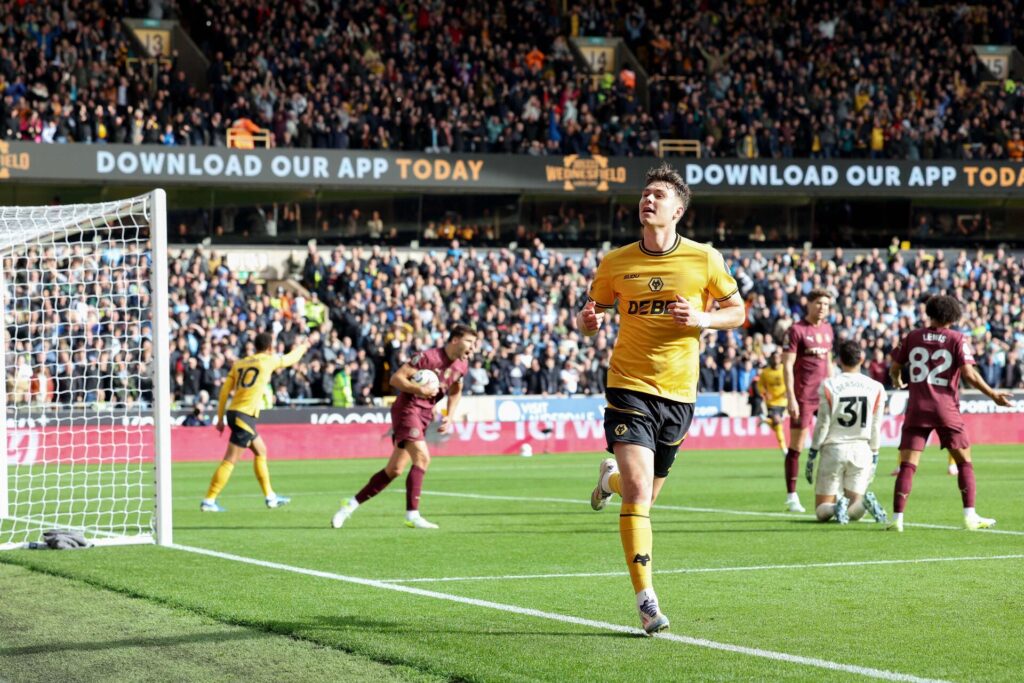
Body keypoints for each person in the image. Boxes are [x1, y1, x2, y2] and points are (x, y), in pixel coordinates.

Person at [582, 163, 744, 635]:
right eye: (644, 194)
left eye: (658, 195)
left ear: (678, 210)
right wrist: (587, 323)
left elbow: (736, 310)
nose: (647, 200)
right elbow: (590, 311)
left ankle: (606, 481)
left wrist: (702, 319)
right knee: (639, 494)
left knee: (643, 498)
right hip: (629, 385)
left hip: (680, 394)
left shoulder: (704, 259)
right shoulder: (615, 262)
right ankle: (646, 599)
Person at [330, 324, 478, 530]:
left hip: (425, 415)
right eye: (469, 341)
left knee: (394, 469)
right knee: (423, 457)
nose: (473, 346)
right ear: (455, 340)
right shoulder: (428, 357)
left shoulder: (462, 365)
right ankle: (412, 514)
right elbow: (396, 378)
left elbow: (456, 390)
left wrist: (450, 416)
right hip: (407, 410)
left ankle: (349, 506)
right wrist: (419, 388)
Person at [887, 295, 1012, 532]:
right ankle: (969, 516)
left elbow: (895, 367)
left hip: (917, 408)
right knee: (964, 461)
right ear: (954, 316)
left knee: (907, 465)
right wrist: (994, 395)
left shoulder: (912, 337)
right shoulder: (956, 338)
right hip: (945, 408)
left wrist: (898, 379)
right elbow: (969, 374)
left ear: (929, 313)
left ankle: (897, 519)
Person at [201, 331, 312, 512]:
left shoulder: (240, 364)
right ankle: (209, 500)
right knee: (230, 460)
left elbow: (224, 392)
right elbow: (290, 359)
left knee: (261, 450)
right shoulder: (267, 360)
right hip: (244, 415)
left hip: (234, 413)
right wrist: (304, 346)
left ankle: (270, 497)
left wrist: (220, 418)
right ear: (270, 347)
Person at [804, 341, 888, 525]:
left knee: (821, 510)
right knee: (854, 508)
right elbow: (875, 426)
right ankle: (865, 504)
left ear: (839, 360)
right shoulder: (877, 387)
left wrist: (813, 452)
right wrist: (875, 453)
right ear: (862, 358)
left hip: (834, 449)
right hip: (862, 449)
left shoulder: (829, 385)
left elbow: (823, 424)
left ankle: (835, 508)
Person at [782, 289, 834, 512]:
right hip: (803, 396)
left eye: (826, 304)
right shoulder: (796, 330)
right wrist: (791, 397)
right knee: (797, 446)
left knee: (829, 444)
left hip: (824, 396)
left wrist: (834, 390)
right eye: (819, 303)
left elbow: (828, 362)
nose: (823, 307)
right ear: (809, 304)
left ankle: (831, 492)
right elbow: (787, 365)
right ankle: (792, 495)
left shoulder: (828, 329)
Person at [757, 351, 789, 455]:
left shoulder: (785, 370)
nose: (775, 359)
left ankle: (765, 420)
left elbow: (791, 380)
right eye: (773, 357)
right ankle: (784, 449)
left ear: (780, 359)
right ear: (770, 359)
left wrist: (788, 391)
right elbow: (760, 385)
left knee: (777, 424)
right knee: (777, 422)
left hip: (783, 401)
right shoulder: (765, 372)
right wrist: (765, 393)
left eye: (777, 357)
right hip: (771, 402)